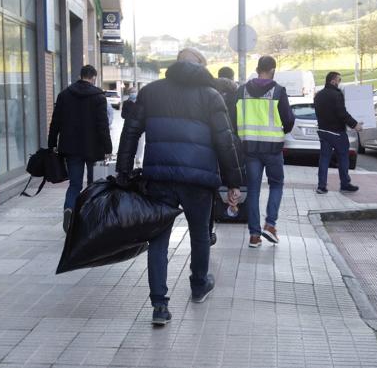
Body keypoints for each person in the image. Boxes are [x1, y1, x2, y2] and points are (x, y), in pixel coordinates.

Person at [116, 47, 244, 326]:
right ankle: (199, 285)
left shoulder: (151, 92)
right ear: (200, 66)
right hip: (198, 181)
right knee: (200, 235)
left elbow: (130, 132)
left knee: (158, 240)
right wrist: (234, 183)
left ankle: (159, 305)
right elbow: (225, 141)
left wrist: (122, 171)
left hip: (159, 178)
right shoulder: (210, 96)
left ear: (175, 64)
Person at [235, 56, 295, 248]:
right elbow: (288, 119)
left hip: (249, 148)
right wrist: (281, 130)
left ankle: (254, 236)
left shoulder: (241, 90)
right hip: (272, 148)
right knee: (276, 184)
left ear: (257, 68)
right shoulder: (278, 91)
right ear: (273, 70)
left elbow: (232, 117)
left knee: (253, 190)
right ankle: (270, 225)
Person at [48, 65, 112, 233]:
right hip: (93, 148)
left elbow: (55, 122)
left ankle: (69, 208)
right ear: (94, 77)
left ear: (80, 75)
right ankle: (90, 219)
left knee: (75, 184)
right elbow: (102, 125)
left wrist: (52, 143)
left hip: (71, 148)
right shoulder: (98, 96)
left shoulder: (64, 95)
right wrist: (108, 147)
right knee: (93, 184)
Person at [313, 71, 363, 194]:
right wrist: (354, 124)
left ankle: (321, 186)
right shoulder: (336, 94)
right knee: (343, 157)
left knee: (324, 159)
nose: (340, 83)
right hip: (337, 132)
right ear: (333, 81)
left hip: (323, 131)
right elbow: (342, 114)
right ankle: (345, 184)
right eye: (339, 80)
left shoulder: (318, 95)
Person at [208, 66, 241, 246]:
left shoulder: (208, 90)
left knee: (211, 187)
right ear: (232, 76)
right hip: (231, 141)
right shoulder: (237, 93)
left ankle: (209, 226)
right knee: (229, 178)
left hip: (209, 145)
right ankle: (230, 205)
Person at [121, 87, 145, 167]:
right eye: (131, 92)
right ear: (129, 93)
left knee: (141, 143)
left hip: (140, 126)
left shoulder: (141, 102)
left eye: (134, 92)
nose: (133, 93)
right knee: (130, 143)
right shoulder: (126, 103)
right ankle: (131, 158)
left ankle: (138, 158)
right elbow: (123, 115)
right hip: (129, 126)